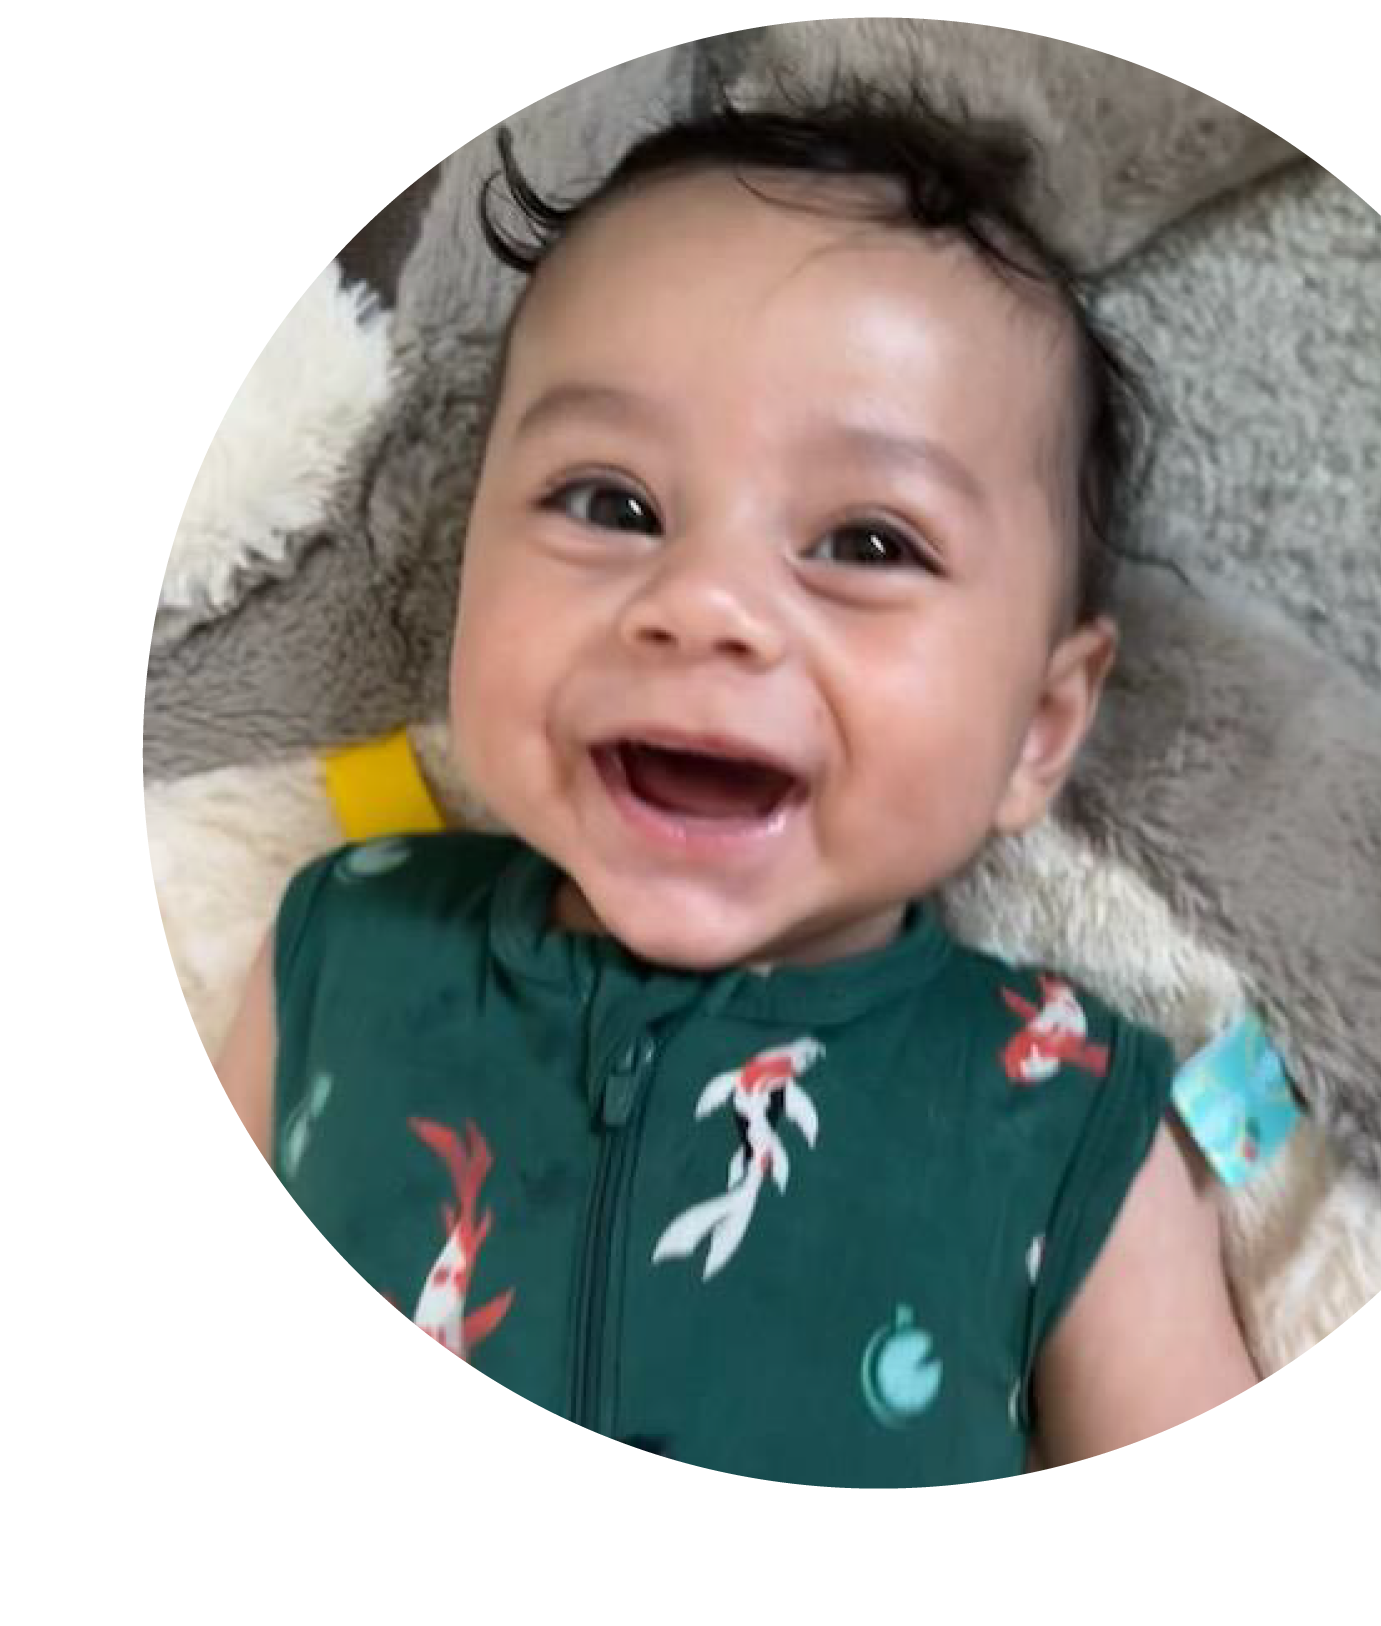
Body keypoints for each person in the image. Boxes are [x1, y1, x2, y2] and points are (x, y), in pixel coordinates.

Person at [210, 80, 1262, 1487]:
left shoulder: (1063, 1107)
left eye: (869, 542)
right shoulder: (344, 947)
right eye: (611, 505)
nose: (701, 602)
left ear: (1038, 727)